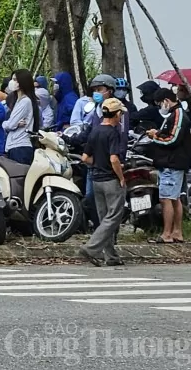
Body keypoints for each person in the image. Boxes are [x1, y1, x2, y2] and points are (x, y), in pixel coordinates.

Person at [78, 98, 128, 267]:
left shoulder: (95, 130)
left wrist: (99, 162)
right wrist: (121, 176)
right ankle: (91, 248)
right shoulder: (113, 133)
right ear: (117, 114)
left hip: (96, 180)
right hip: (110, 180)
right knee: (113, 218)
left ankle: (111, 256)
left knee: (104, 218)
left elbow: (85, 158)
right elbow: (114, 159)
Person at [145, 88, 191, 244]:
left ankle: (167, 234)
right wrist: (158, 132)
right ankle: (176, 232)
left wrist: (155, 136)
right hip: (170, 163)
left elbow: (172, 139)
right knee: (174, 198)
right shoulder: (173, 115)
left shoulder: (178, 115)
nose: (160, 107)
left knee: (166, 199)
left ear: (166, 100)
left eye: (160, 103)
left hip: (172, 164)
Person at [2, 69, 39, 164]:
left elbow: (10, 125)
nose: (12, 82)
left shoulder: (25, 101)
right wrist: (12, 123)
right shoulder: (18, 101)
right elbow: (12, 124)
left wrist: (4, 123)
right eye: (12, 79)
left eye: (15, 80)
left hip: (20, 146)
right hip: (14, 146)